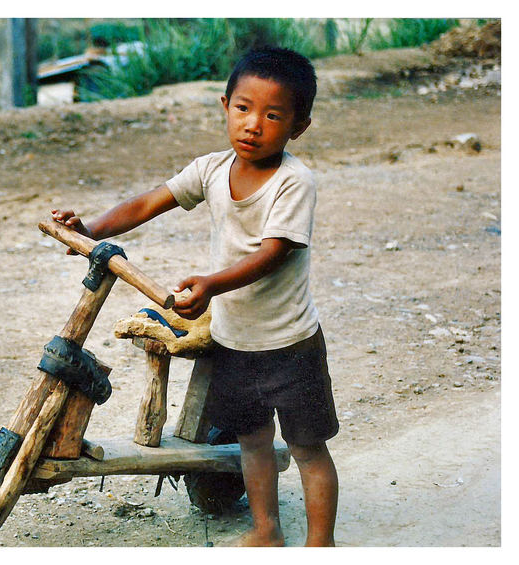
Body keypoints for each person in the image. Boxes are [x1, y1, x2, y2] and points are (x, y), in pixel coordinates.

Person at [51, 46, 339, 547]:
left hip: (290, 343)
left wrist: (210, 284)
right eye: (244, 108)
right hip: (233, 341)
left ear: (299, 126)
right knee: (251, 442)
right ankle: (266, 531)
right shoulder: (210, 169)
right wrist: (91, 229)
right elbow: (148, 202)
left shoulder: (294, 182)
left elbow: (273, 253)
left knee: (307, 448)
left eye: (272, 116)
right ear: (224, 106)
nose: (253, 125)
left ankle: (321, 547)